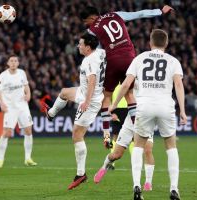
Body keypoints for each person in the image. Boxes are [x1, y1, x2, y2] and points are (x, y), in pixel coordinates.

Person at [79, 5, 174, 147]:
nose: (85, 24)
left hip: (112, 59)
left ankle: (106, 136)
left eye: (85, 21)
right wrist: (160, 11)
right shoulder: (116, 15)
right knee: (130, 95)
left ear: (92, 17)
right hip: (130, 58)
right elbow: (140, 14)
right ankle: (139, 132)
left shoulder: (91, 30)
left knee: (106, 97)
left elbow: (97, 52)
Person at [110, 29, 186, 200]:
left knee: (138, 146)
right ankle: (174, 189)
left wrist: (114, 105)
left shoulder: (140, 58)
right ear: (166, 43)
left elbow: (126, 84)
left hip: (143, 106)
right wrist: (183, 110)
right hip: (166, 106)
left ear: (150, 43)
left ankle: (137, 186)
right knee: (171, 146)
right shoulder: (173, 61)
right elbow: (179, 86)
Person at [44, 33, 106, 190]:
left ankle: (81, 174)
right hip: (85, 92)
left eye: (80, 44)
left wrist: (86, 101)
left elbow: (92, 80)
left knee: (77, 135)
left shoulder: (89, 60)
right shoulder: (101, 52)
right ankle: (50, 114)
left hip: (90, 100)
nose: (78, 46)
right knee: (64, 92)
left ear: (88, 47)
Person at [94, 81, 155, 191]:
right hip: (130, 120)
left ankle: (148, 182)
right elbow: (124, 89)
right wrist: (114, 106)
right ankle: (104, 167)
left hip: (146, 120)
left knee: (148, 150)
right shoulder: (131, 78)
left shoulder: (152, 83)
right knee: (116, 154)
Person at [0, 55, 37, 168]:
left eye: (15, 61)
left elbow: (26, 86)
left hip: (22, 106)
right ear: (8, 63)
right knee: (7, 132)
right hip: (10, 107)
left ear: (18, 63)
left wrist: (28, 94)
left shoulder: (22, 73)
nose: (13, 62)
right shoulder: (3, 75)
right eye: (11, 61)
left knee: (28, 130)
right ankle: (0, 160)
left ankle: (28, 158)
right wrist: (1, 103)